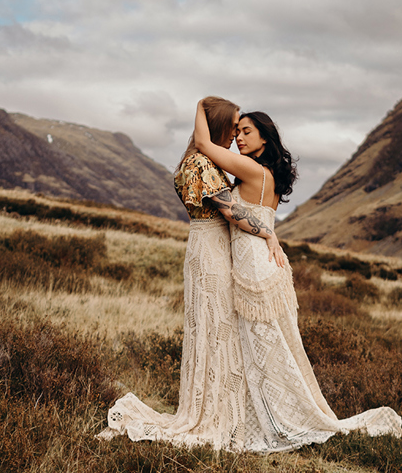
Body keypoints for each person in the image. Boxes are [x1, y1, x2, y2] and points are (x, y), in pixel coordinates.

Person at [193, 101, 402, 452]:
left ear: (265, 138)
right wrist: (270, 234)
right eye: (237, 131)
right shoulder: (265, 173)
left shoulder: (251, 170)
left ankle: (283, 418)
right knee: (274, 347)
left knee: (268, 348)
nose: (239, 138)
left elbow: (203, 144)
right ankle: (272, 413)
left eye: (246, 132)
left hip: (256, 269)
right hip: (265, 263)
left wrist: (201, 106)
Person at [97, 96, 283, 451]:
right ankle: (213, 409)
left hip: (203, 244)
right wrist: (267, 232)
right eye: (230, 129)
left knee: (213, 327)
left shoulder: (195, 161)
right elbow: (232, 212)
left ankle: (217, 400)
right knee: (217, 327)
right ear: (216, 128)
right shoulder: (202, 163)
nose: (233, 137)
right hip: (211, 248)